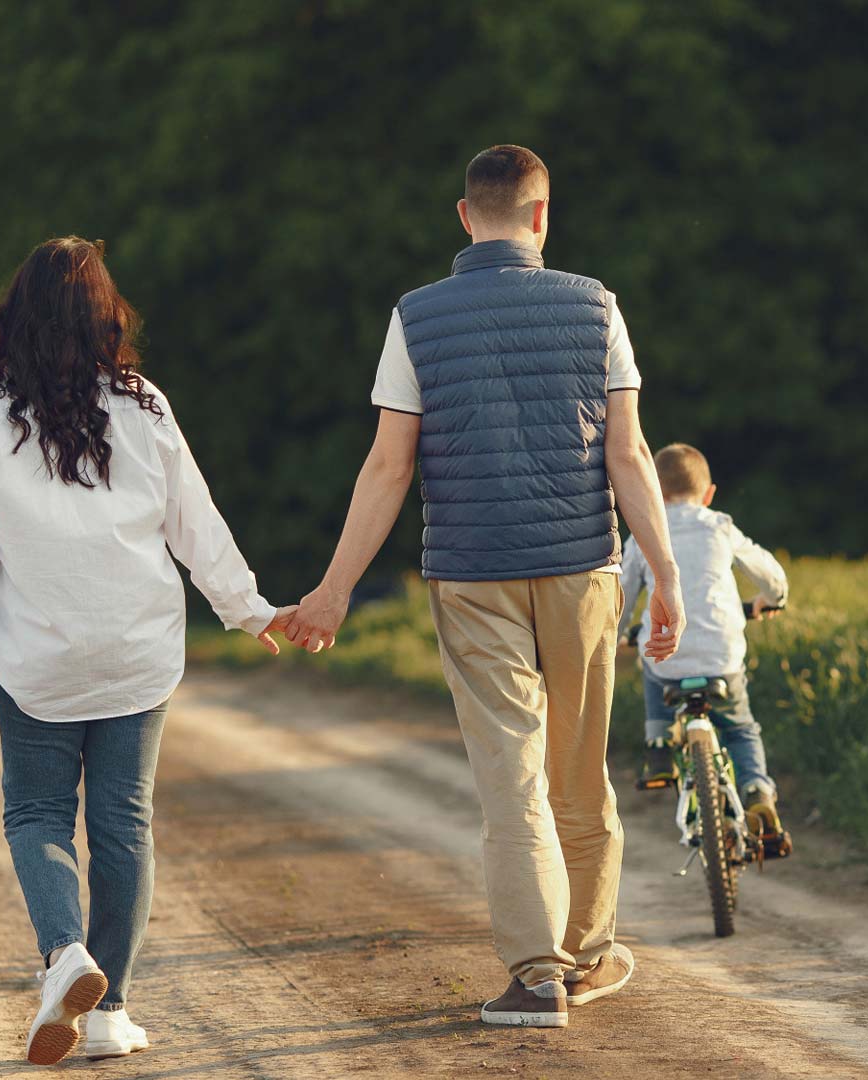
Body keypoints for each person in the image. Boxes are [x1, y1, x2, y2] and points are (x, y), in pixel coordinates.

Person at [282, 145, 686, 1028]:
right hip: (583, 567)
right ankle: (586, 954)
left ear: (466, 217)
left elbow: (389, 467)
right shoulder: (597, 306)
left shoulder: (416, 317)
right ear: (541, 217)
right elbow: (628, 453)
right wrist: (664, 572)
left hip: (472, 575)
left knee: (512, 778)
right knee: (580, 774)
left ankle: (537, 976)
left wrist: (335, 589)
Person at [0, 237, 294, 1066]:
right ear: (106, 318)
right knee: (124, 826)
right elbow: (195, 523)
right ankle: (107, 1014)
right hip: (137, 650)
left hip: (39, 658)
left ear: (11, 319)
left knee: (37, 815)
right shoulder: (145, 406)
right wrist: (248, 609)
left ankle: (66, 957)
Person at [621, 443, 790, 835]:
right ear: (709, 494)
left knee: (653, 665)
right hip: (722, 658)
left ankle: (659, 745)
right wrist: (772, 599)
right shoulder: (720, 526)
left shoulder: (644, 533)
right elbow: (770, 574)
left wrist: (616, 634)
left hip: (668, 660)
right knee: (741, 729)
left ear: (654, 493)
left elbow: (624, 594)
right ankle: (758, 793)